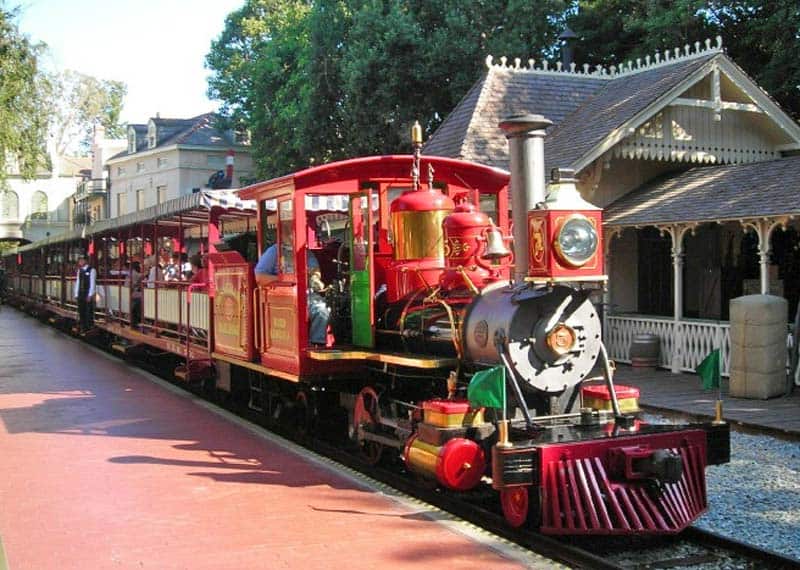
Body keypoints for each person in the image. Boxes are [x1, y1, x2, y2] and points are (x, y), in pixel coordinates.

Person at [254, 243, 330, 346]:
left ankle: (317, 343)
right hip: (282, 295)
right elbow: (260, 277)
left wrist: (315, 279)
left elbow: (315, 270)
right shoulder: (274, 252)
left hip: (306, 294)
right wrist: (284, 278)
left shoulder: (307, 252)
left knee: (322, 308)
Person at [73, 255, 97, 333]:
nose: (80, 262)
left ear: (85, 261)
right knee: (81, 310)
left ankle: (88, 326)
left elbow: (92, 283)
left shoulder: (92, 270)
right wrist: (76, 294)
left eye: (81, 260)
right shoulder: (80, 271)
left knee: (88, 310)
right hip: (81, 293)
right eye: (79, 260)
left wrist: (90, 294)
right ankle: (83, 326)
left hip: (87, 293)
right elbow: (78, 282)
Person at [125, 261, 142, 326]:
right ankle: (141, 317)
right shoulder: (135, 273)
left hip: (127, 292)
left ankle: (134, 316)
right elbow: (142, 277)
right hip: (130, 292)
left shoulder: (131, 273)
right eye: (139, 266)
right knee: (144, 296)